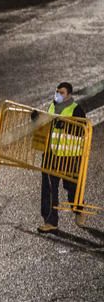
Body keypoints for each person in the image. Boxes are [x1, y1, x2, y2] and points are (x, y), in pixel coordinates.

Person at [37, 82, 87, 233]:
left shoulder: (76, 109)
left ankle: (78, 209)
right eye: (57, 91)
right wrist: (36, 119)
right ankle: (50, 221)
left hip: (68, 156)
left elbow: (82, 132)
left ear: (69, 94)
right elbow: (45, 126)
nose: (58, 94)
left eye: (62, 92)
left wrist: (64, 126)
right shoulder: (52, 106)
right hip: (51, 154)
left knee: (71, 187)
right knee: (49, 188)